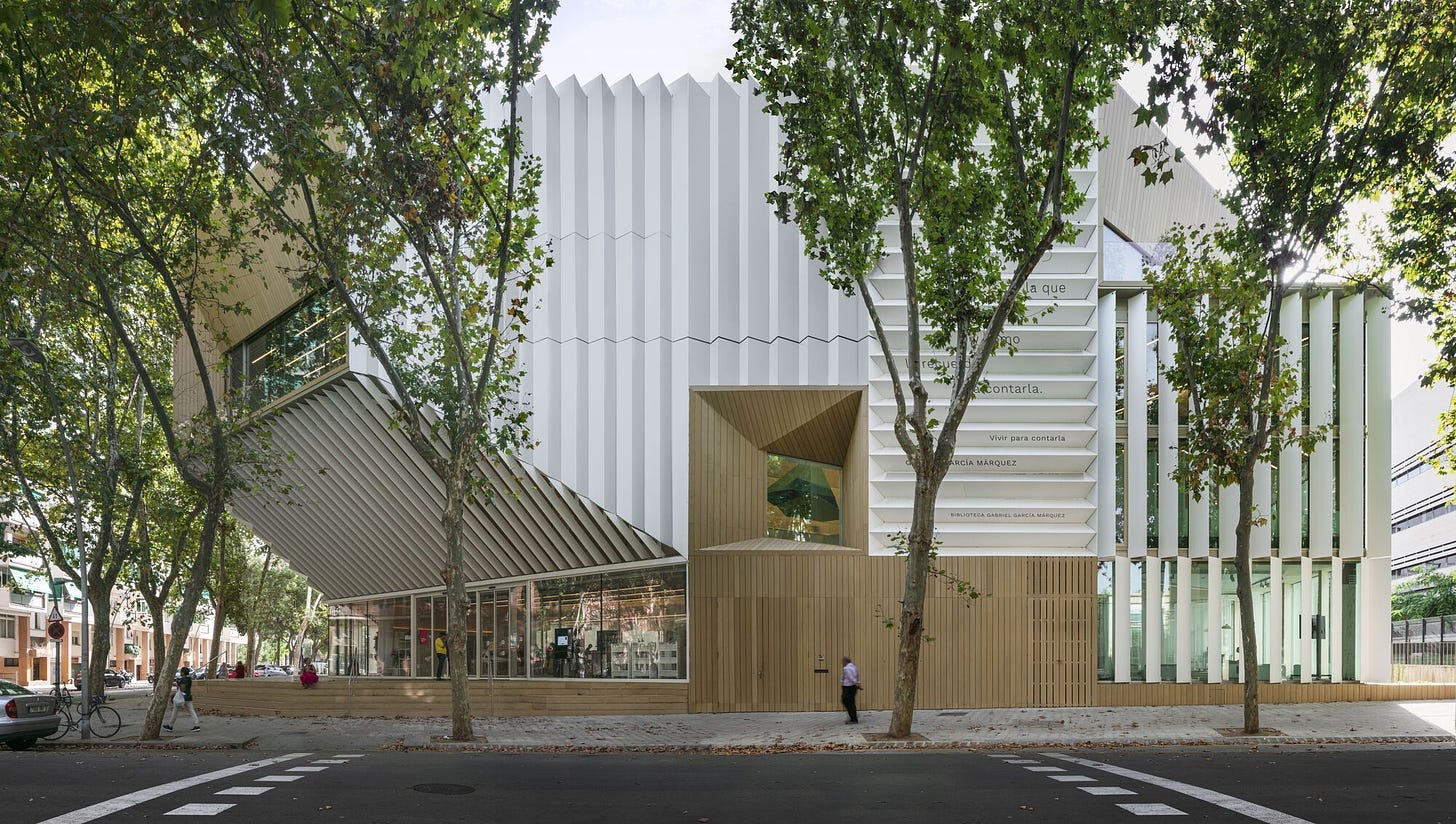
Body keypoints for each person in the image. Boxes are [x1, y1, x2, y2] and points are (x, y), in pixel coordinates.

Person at [164, 666, 200, 732]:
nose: (180, 672)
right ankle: (196, 725)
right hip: (188, 697)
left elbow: (183, 689)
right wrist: (179, 682)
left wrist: (178, 683)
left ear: (183, 672)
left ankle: (170, 726)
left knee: (175, 711)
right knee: (191, 711)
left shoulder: (184, 679)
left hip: (182, 698)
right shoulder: (188, 679)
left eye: (181, 671)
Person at [840, 656, 861, 724]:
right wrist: (858, 683)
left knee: (846, 701)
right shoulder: (855, 667)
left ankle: (853, 717)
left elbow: (851, 677)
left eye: (842, 661)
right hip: (853, 687)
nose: (842, 663)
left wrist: (856, 683)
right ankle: (853, 715)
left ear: (845, 661)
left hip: (848, 687)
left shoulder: (847, 668)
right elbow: (857, 676)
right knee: (851, 702)